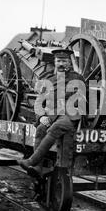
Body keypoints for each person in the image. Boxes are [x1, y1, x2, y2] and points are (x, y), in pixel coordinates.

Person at [17, 49, 85, 178]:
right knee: (41, 129)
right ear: (55, 62)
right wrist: (41, 116)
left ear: (69, 63)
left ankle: (31, 161)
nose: (61, 64)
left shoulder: (77, 78)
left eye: (64, 61)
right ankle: (37, 167)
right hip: (53, 115)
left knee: (55, 127)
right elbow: (38, 102)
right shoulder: (49, 80)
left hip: (71, 115)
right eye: (58, 61)